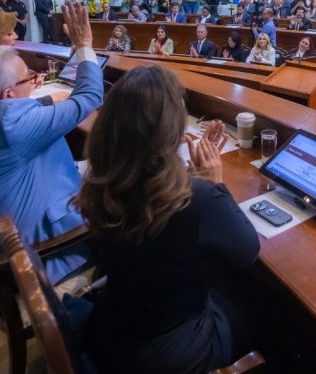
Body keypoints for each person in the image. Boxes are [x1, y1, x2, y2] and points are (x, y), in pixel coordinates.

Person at [79, 65, 259, 373]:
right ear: (170, 129)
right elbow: (247, 251)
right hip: (172, 354)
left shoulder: (103, 177)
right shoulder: (199, 199)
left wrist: (193, 180)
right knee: (265, 309)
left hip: (112, 330)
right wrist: (213, 184)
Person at [0, 2, 100, 288]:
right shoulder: (12, 125)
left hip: (5, 231)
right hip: (39, 255)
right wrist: (84, 45)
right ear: (7, 94)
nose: (32, 79)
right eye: (27, 77)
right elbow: (90, 96)